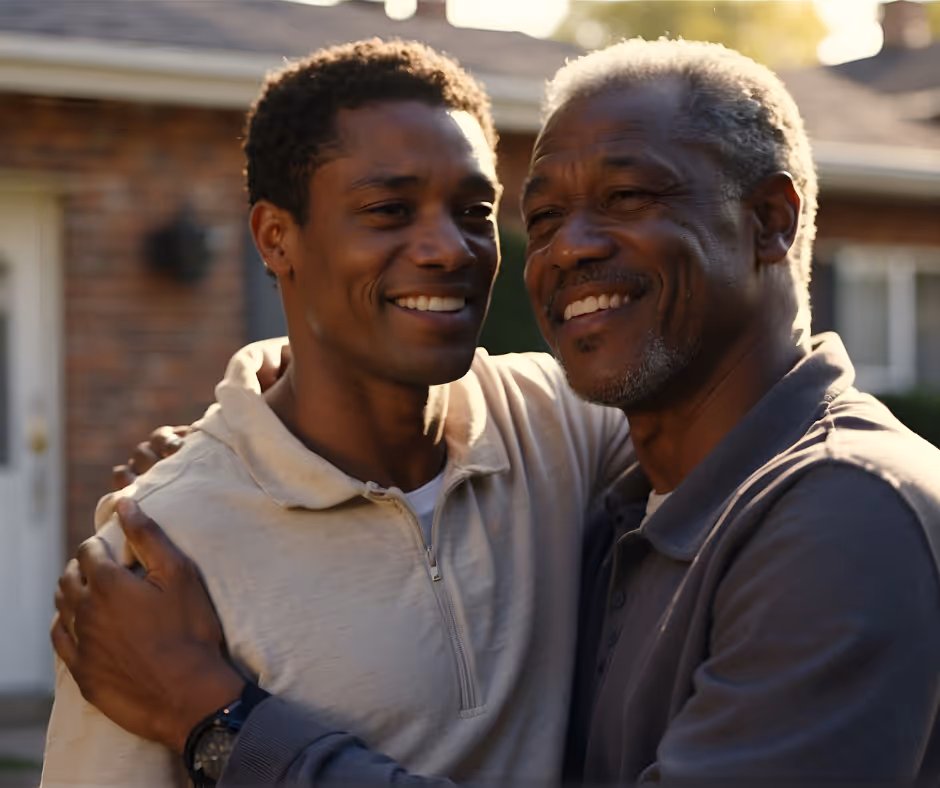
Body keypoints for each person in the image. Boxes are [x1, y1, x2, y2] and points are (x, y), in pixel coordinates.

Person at [54, 38, 940, 786]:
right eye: (544, 215)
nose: (571, 247)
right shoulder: (156, 557)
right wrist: (219, 457)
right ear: (275, 239)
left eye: (629, 196)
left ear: (771, 221)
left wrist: (220, 722)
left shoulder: (838, 512)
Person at [42, 38, 633, 788]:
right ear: (275, 238)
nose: (450, 249)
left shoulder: (563, 423)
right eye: (388, 210)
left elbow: (758, 400)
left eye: (474, 210)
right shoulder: (162, 543)